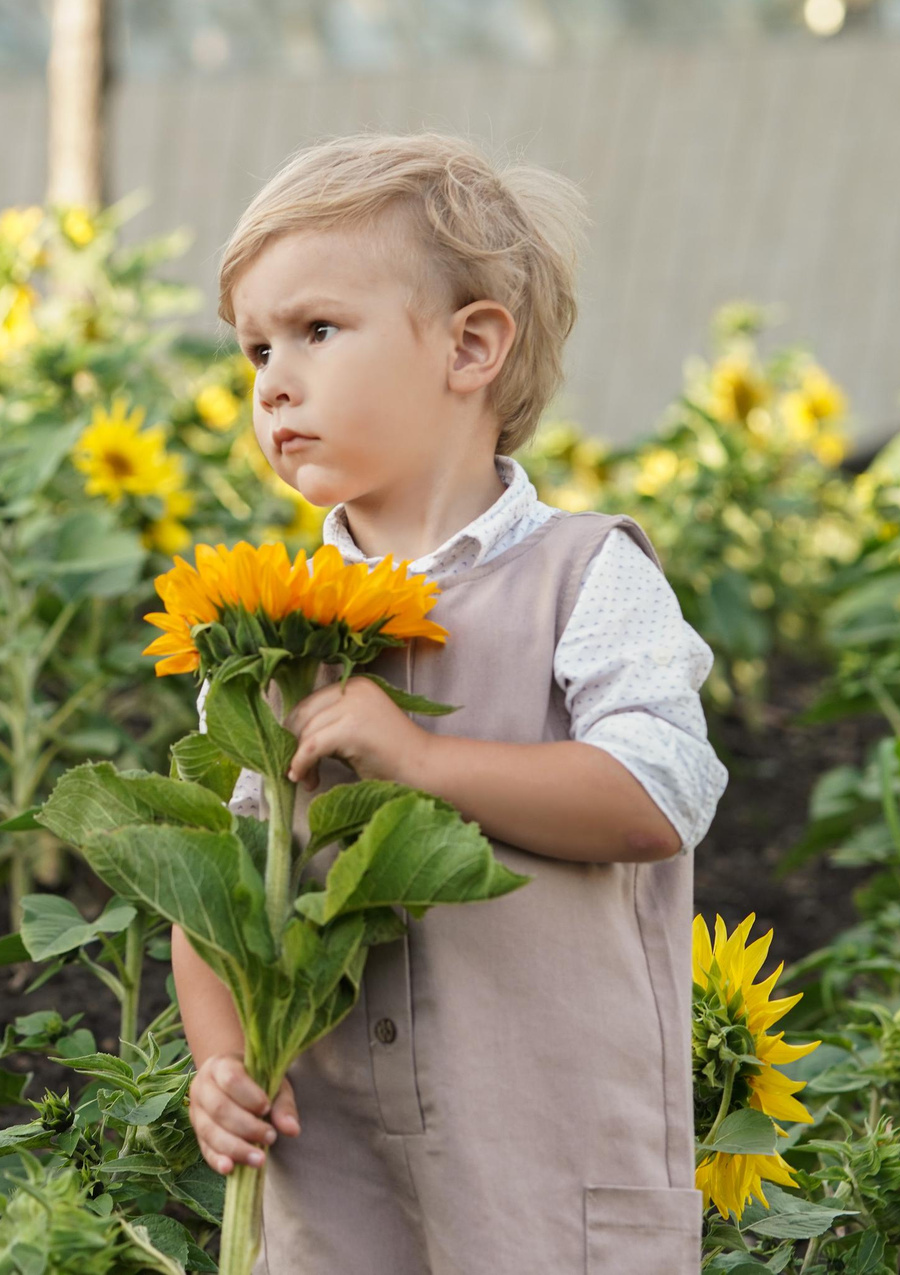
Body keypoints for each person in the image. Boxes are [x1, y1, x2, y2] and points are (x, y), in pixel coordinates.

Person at [173, 134, 728, 1273]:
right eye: (253, 349)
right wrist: (220, 1060)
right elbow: (220, 884)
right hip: (332, 1161)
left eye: (316, 331)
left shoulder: (586, 575)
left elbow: (654, 797)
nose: (273, 378)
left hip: (549, 1156)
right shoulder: (272, 629)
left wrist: (422, 761)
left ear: (471, 346)